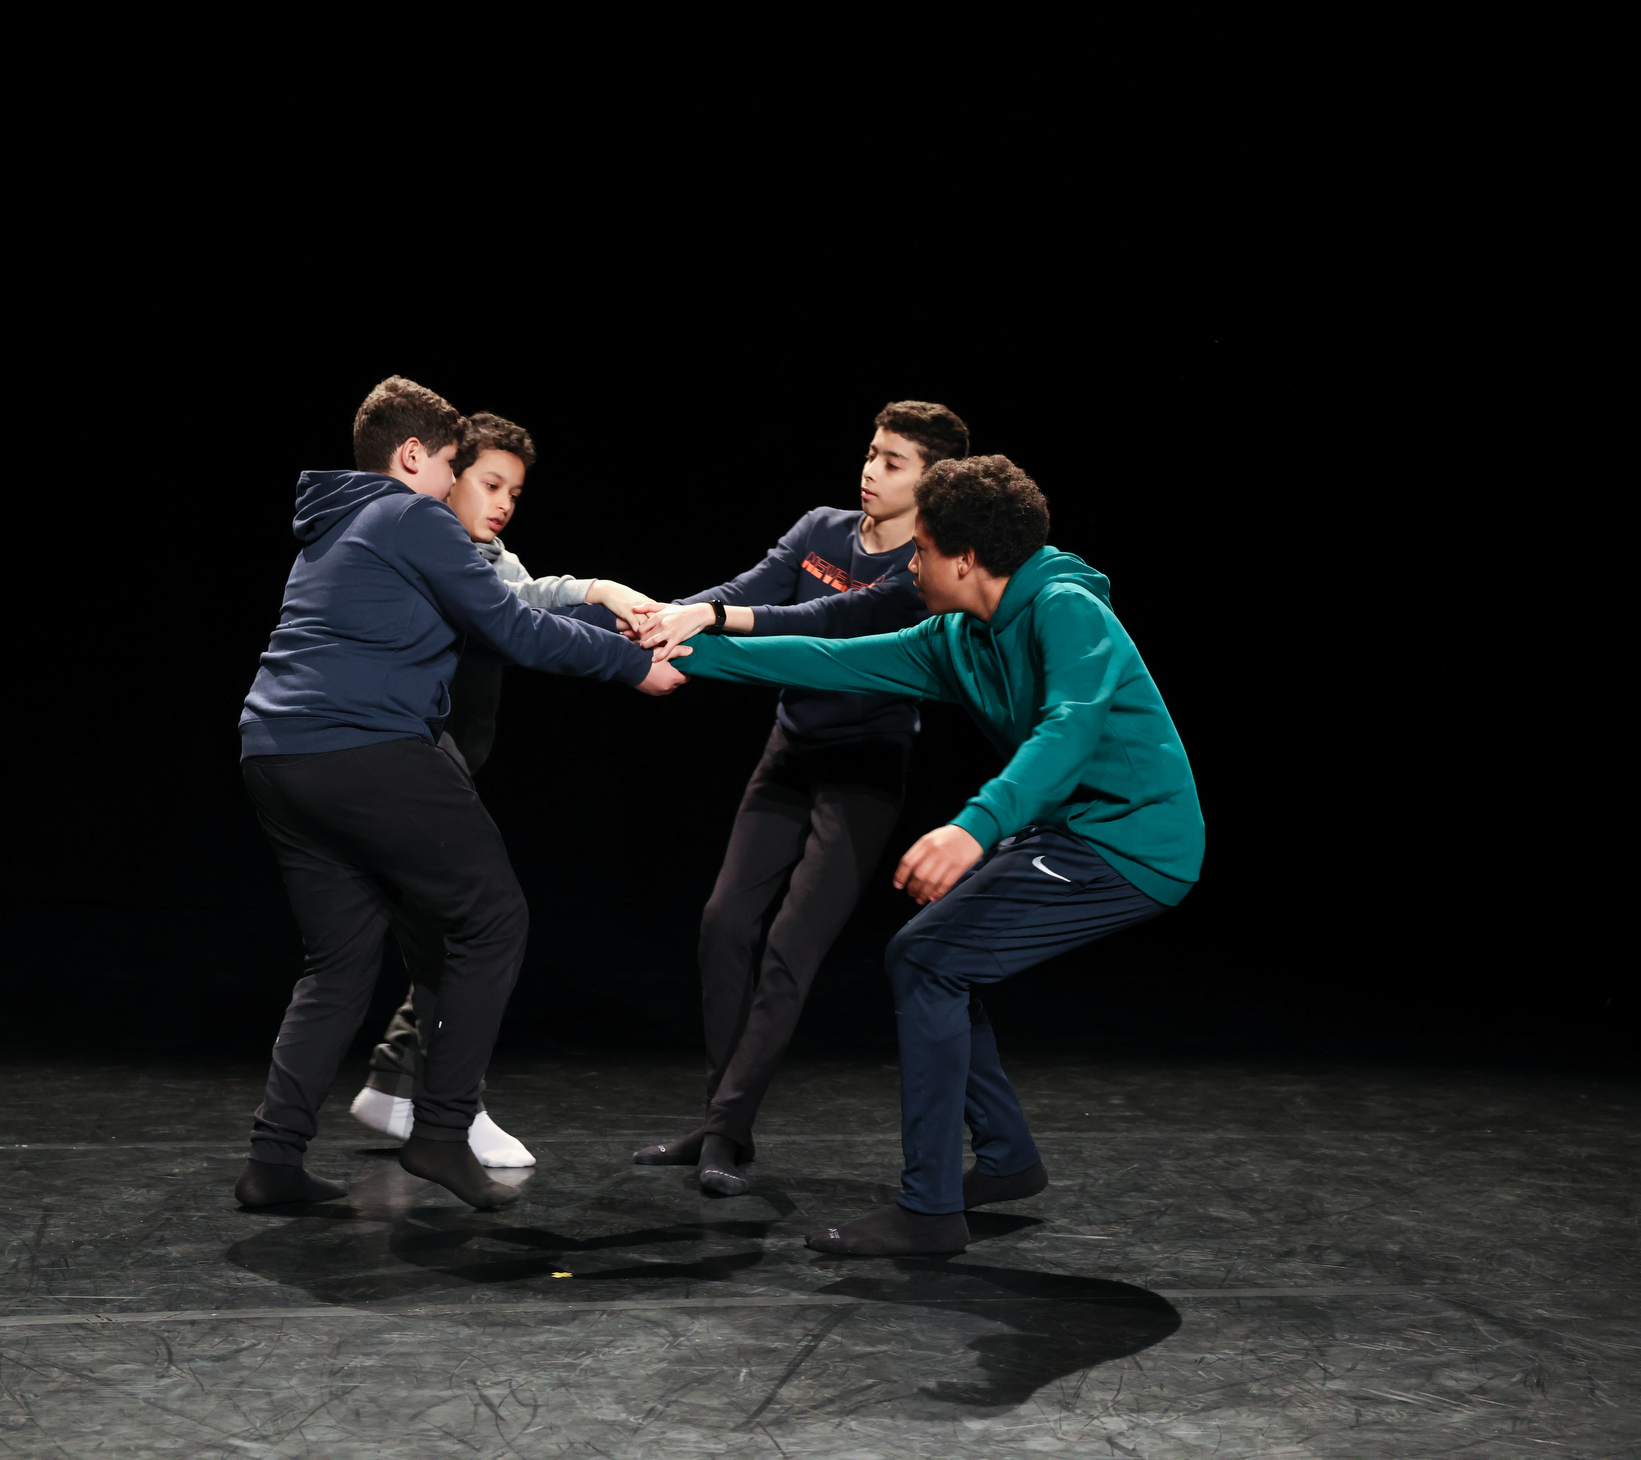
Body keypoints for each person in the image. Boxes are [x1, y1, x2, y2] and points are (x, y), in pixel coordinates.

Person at [668, 454, 1203, 1255]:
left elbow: (1067, 733)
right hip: (1070, 832)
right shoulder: (957, 637)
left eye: (919, 550)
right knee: (931, 962)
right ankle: (1007, 1158)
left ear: (963, 559)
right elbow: (830, 658)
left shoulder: (1066, 609)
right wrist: (676, 647)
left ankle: (929, 1211)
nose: (909, 565)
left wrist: (973, 827)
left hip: (1133, 843)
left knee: (927, 962)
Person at [235, 378, 686, 1213]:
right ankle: (442, 1129)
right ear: (413, 456)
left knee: (340, 961)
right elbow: (510, 627)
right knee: (492, 918)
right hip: (363, 746)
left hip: (276, 752)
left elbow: (507, 603)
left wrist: (600, 609)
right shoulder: (412, 517)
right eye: (451, 464)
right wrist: (632, 666)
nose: (451, 482)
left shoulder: (335, 523)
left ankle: (273, 1161)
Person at [623, 401, 967, 1196]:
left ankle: (726, 1131)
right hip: (793, 749)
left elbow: (825, 621)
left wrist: (710, 617)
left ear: (932, 482)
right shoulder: (820, 528)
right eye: (871, 453)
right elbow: (749, 588)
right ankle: (723, 1121)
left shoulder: (920, 568)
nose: (870, 470)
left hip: (866, 766)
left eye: (892, 461)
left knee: (790, 946)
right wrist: (657, 616)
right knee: (723, 922)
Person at [347, 411, 658, 1168]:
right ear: (445, 475)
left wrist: (603, 593)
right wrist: (625, 654)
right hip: (407, 764)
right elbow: (517, 621)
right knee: (466, 932)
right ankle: (455, 1110)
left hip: (443, 764)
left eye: (514, 493)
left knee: (442, 932)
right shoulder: (426, 547)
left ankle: (393, 1084)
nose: (504, 504)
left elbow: (527, 592)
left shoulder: (485, 554)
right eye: (490, 484)